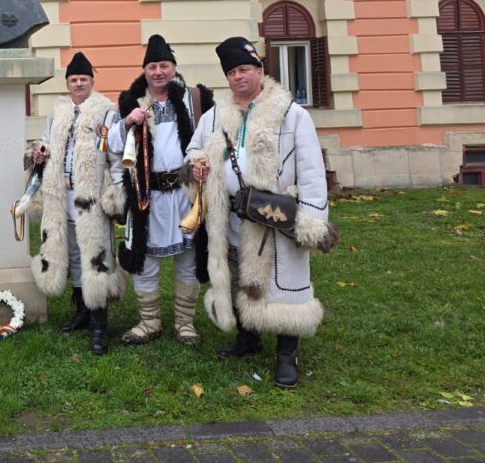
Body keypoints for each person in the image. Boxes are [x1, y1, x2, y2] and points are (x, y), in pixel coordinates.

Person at [186, 36, 339, 388]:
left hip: (276, 217)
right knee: (241, 275)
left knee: (285, 282)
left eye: (245, 69)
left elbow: (312, 170)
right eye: (232, 72)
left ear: (259, 70)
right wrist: (194, 166)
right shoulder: (214, 116)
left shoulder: (291, 114)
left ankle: (287, 353)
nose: (238, 77)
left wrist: (312, 221)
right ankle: (248, 337)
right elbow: (193, 151)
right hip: (231, 216)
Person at [108, 35, 214, 346]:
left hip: (185, 193)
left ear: (173, 68)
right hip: (147, 197)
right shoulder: (130, 101)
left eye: (164, 65)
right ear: (145, 70)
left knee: (189, 257)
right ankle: (149, 322)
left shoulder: (194, 101)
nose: (158, 72)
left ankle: (185, 323)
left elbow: (214, 137)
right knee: (145, 260)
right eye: (152, 66)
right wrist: (127, 121)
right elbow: (112, 145)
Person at [30, 52, 126, 356]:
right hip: (62, 196)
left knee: (95, 256)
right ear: (67, 83)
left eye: (83, 78)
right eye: (73, 79)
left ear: (92, 82)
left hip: (92, 198)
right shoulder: (57, 112)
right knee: (71, 253)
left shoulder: (106, 113)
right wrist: (40, 153)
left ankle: (99, 323)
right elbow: (45, 141)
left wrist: (116, 192)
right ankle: (82, 311)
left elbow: (116, 156)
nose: (78, 83)